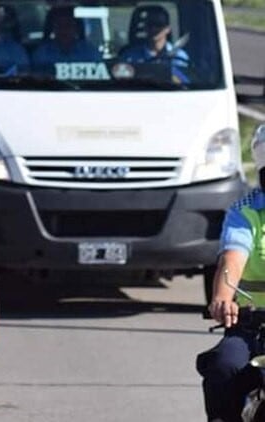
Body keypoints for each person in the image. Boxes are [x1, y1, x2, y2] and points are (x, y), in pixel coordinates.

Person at [197, 123, 265, 422]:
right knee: (224, 366)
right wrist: (223, 298)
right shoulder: (246, 211)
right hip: (250, 325)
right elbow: (232, 260)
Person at [119, 5, 190, 83]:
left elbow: (183, 84)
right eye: (150, 24)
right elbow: (121, 84)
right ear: (145, 27)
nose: (154, 28)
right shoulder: (129, 57)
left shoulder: (179, 56)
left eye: (158, 24)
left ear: (168, 29)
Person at [31, 6, 101, 70]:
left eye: (68, 25)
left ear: (76, 27)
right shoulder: (41, 54)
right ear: (52, 28)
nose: (63, 30)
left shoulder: (91, 53)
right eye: (59, 25)